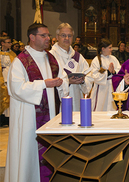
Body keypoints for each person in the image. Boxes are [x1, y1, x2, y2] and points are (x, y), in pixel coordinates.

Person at [5, 23, 69, 182]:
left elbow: (62, 80)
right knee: (29, 155)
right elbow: (16, 89)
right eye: (43, 35)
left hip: (51, 117)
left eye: (48, 35)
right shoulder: (20, 61)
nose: (48, 38)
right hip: (29, 120)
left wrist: (64, 82)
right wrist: (43, 84)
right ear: (32, 37)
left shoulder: (51, 58)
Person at [50, 23, 90, 111]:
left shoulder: (78, 57)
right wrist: (67, 81)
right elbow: (48, 80)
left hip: (76, 97)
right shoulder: (50, 56)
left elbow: (89, 76)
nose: (67, 38)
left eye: (69, 36)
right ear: (57, 36)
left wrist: (83, 81)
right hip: (58, 102)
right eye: (63, 35)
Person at [89, 38, 121, 111]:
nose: (111, 49)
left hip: (112, 87)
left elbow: (119, 69)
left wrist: (114, 72)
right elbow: (95, 76)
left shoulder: (113, 58)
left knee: (111, 106)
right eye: (109, 48)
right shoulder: (96, 60)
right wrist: (108, 72)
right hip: (101, 88)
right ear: (103, 49)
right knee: (100, 107)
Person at [0, 36, 16, 126]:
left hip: (10, 78)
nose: (10, 44)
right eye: (8, 42)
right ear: (2, 43)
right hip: (1, 77)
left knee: (9, 97)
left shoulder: (13, 54)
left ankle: (8, 119)